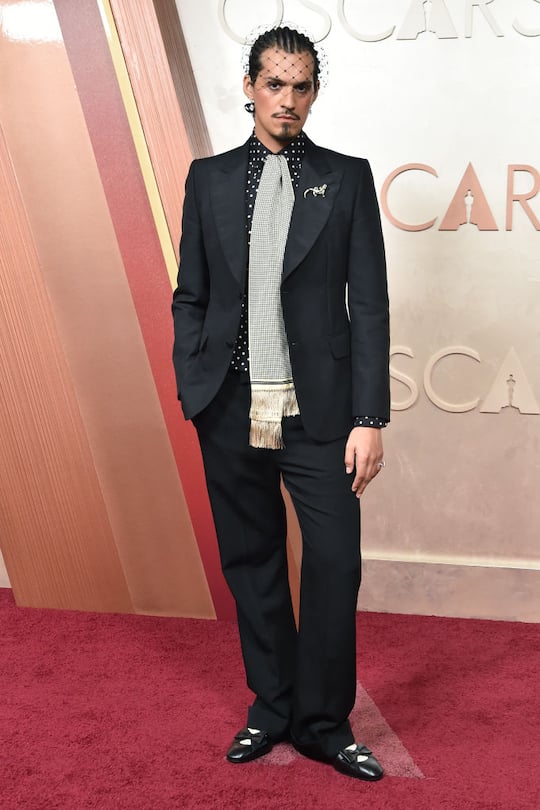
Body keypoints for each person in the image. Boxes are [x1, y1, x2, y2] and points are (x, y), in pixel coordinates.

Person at [172, 25, 390, 782]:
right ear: (248, 87)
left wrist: (371, 417)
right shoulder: (206, 179)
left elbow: (371, 307)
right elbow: (191, 294)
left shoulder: (347, 177)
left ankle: (325, 723)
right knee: (252, 559)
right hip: (228, 403)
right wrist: (191, 383)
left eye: (300, 87)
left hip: (321, 412)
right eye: (274, 83)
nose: (286, 100)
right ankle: (271, 705)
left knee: (334, 561)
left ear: (314, 93)